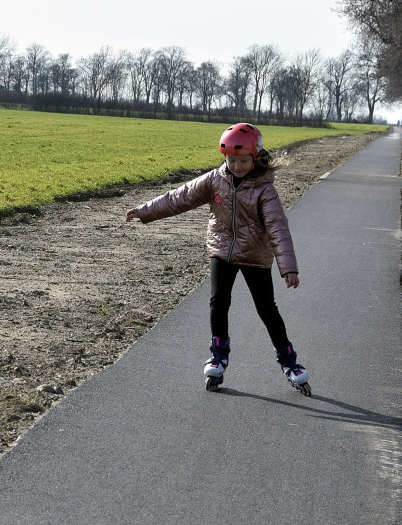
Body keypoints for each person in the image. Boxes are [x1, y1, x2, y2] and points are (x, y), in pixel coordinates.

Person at [125, 122, 311, 395]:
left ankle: (289, 361)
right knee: (218, 300)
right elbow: (180, 197)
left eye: (242, 161)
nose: (236, 166)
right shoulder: (215, 179)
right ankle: (218, 354)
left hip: (254, 255)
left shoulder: (264, 190)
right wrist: (145, 211)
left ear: (255, 158)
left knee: (266, 309)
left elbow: (277, 228)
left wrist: (288, 269)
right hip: (222, 250)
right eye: (231, 160)